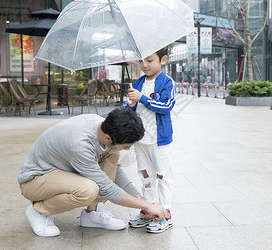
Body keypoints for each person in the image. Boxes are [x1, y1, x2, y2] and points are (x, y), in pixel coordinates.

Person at [17, 108, 167, 237]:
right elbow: (107, 188)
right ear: (108, 138)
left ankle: (92, 213)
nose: (127, 149)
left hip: (58, 171)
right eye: (126, 146)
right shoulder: (79, 145)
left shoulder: (101, 125)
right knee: (87, 190)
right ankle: (38, 211)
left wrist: (142, 201)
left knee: (112, 153)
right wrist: (148, 206)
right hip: (34, 180)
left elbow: (116, 169)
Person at [125, 46, 175, 233]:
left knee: (163, 175)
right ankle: (149, 210)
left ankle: (165, 213)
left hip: (159, 140)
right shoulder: (138, 82)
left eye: (149, 60)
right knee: (145, 176)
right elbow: (130, 108)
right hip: (141, 140)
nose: (144, 65)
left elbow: (166, 106)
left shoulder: (166, 82)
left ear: (163, 60)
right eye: (141, 61)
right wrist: (130, 104)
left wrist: (143, 98)